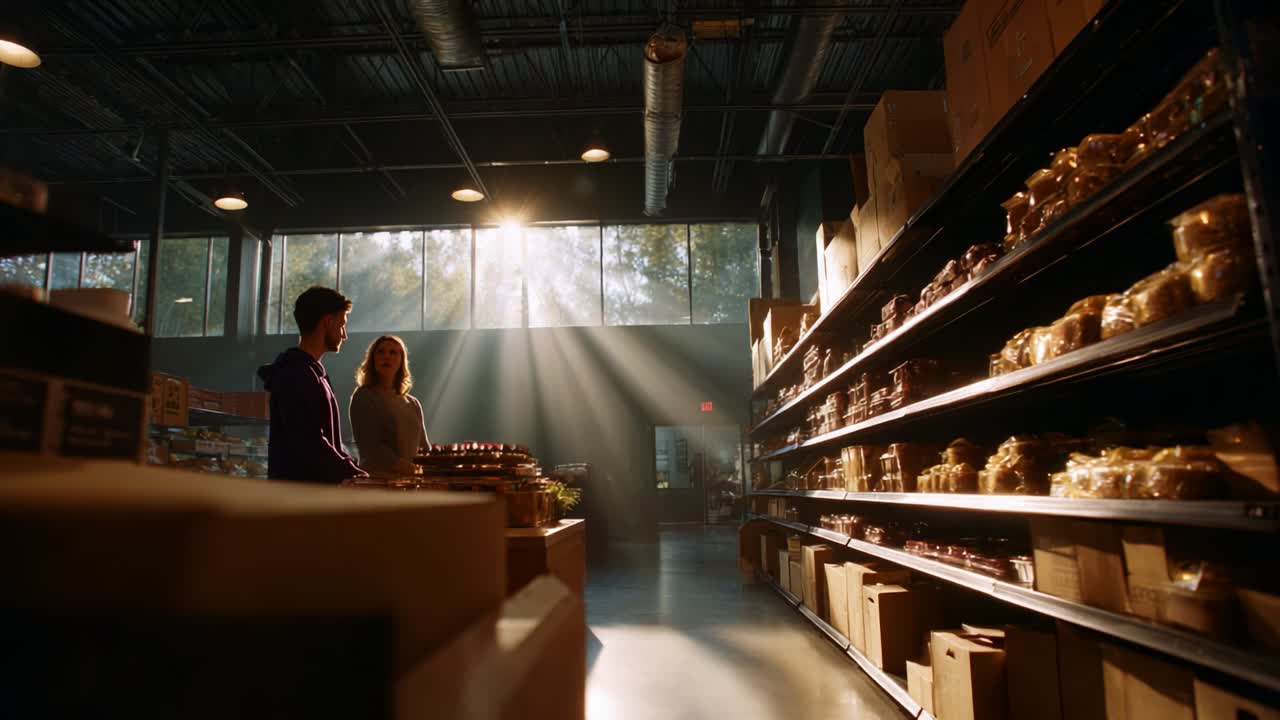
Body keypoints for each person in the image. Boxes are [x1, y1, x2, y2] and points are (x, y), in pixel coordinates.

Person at [257, 286, 366, 483]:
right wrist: (353, 472)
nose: (344, 335)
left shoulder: (312, 373)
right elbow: (308, 442)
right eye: (342, 325)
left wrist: (349, 466)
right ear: (328, 322)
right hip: (299, 500)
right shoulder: (296, 374)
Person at [349, 335, 429, 476]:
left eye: (393, 352)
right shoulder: (363, 396)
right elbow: (372, 447)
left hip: (412, 483)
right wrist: (413, 470)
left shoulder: (413, 403)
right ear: (372, 359)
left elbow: (424, 447)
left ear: (401, 361)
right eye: (380, 352)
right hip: (379, 483)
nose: (386, 356)